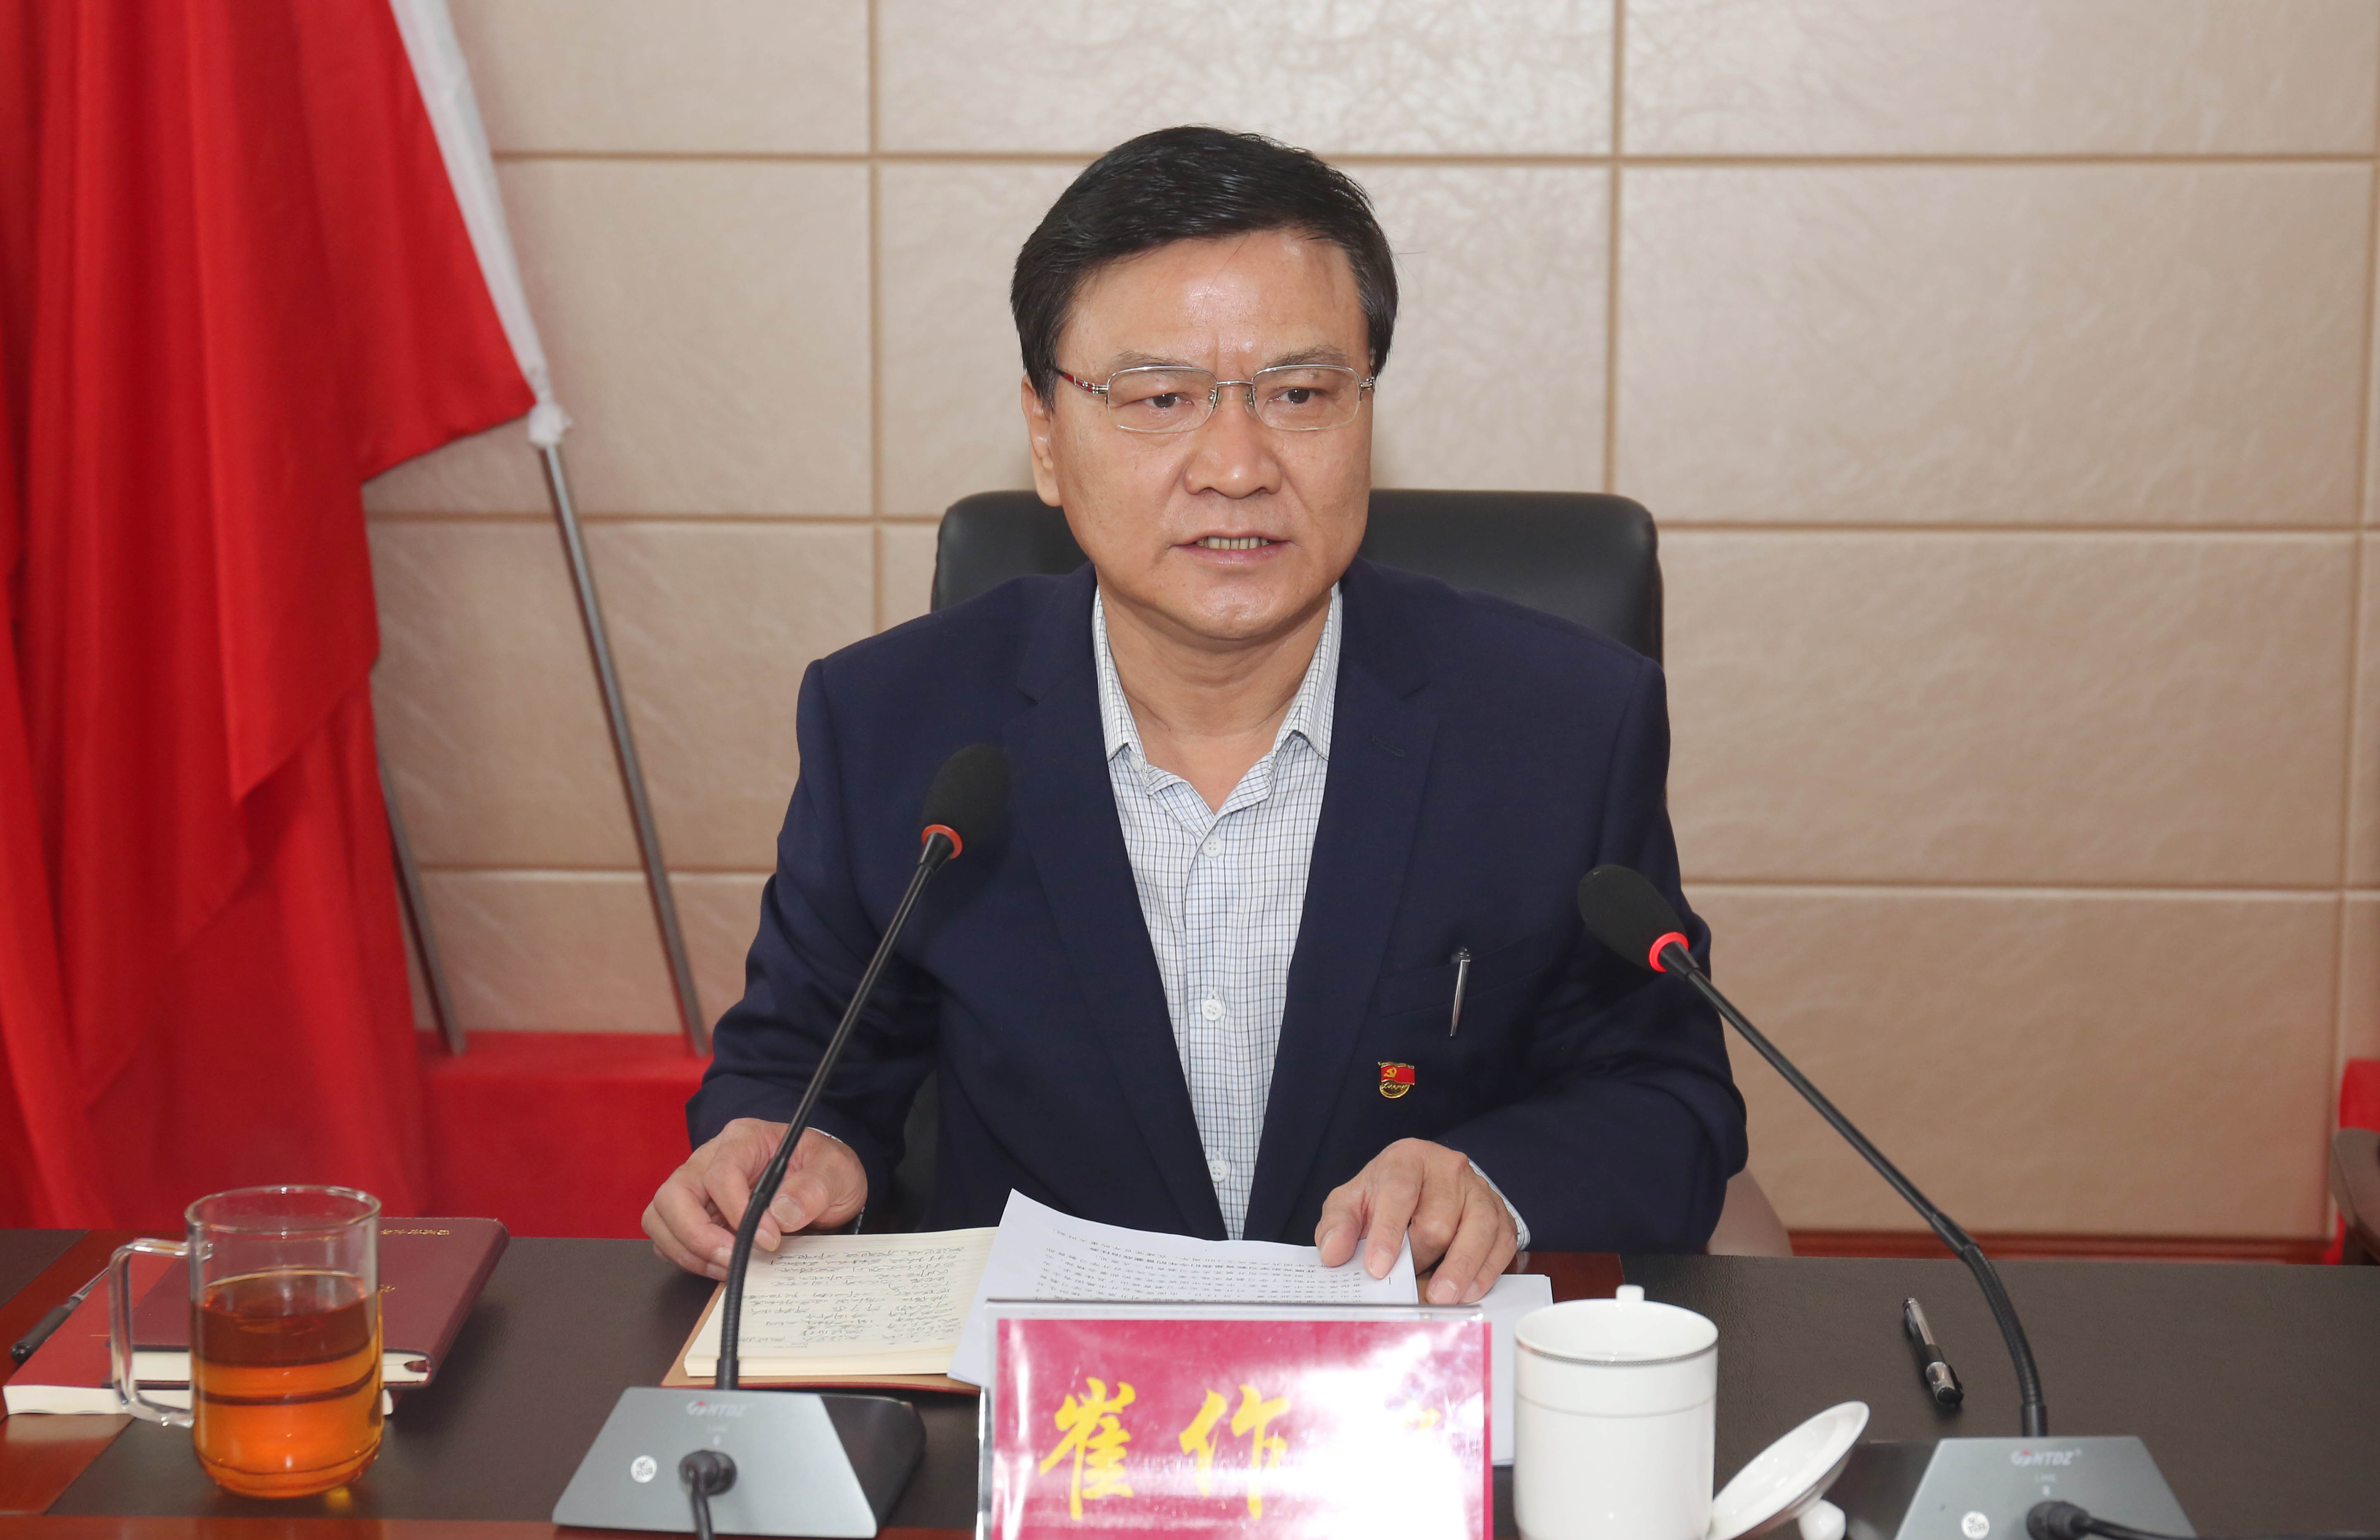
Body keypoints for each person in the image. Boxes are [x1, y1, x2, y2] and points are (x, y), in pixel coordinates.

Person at [645, 126, 1745, 1304]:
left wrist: (1494, 1180)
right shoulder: (893, 723)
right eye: (1159, 397)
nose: (1236, 465)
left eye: (1300, 394)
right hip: (1042, 1385)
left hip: (1401, 1370)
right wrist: (790, 1148)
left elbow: (1669, 1099)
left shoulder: (1559, 725)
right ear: (1046, 439)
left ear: (1365, 412)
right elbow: (797, 1066)